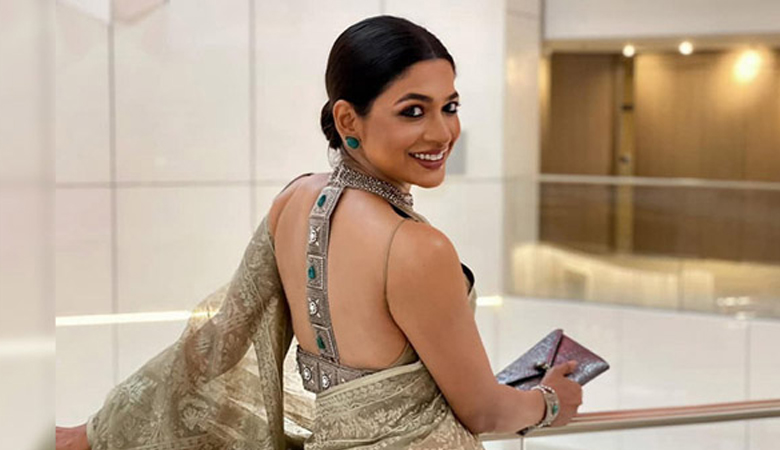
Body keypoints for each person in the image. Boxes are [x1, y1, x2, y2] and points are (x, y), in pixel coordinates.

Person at [56, 15, 582, 450]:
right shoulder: (418, 248)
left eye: (450, 106)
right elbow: (485, 411)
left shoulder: (296, 201)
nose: (442, 131)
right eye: (413, 111)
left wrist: (98, 433)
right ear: (348, 120)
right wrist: (551, 401)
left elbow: (216, 343)